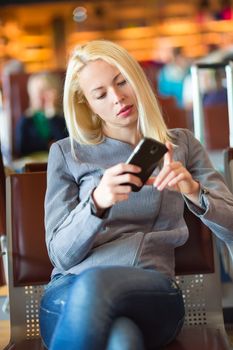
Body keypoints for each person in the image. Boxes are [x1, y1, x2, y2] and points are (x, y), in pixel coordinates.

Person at [39, 40, 233, 350]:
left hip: (151, 290)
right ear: (86, 104)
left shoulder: (182, 145)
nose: (117, 98)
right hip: (69, 293)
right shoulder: (67, 154)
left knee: (99, 290)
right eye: (100, 95)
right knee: (122, 340)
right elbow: (61, 255)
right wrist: (97, 203)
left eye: (121, 82)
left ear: (137, 77)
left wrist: (194, 191)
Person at [15, 72, 67, 157]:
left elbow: (66, 144)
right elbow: (21, 149)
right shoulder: (26, 120)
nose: (39, 95)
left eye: (44, 91)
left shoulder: (61, 118)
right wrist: (47, 145)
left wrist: (51, 115)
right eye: (36, 91)